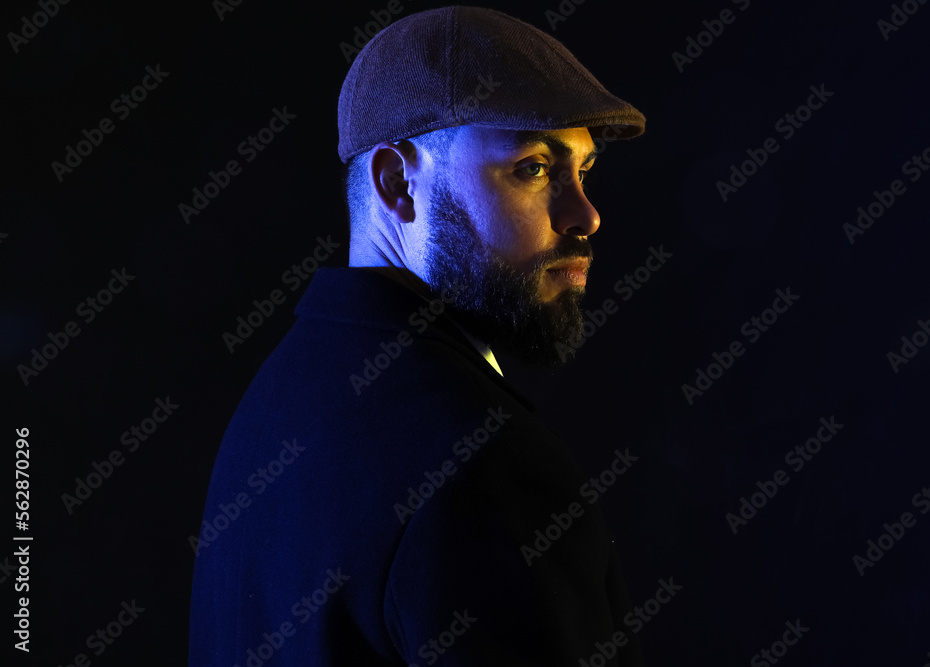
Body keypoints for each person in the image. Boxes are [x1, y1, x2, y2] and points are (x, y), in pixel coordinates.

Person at [188, 5, 647, 665]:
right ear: (399, 183)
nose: (587, 214)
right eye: (533, 168)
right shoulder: (483, 460)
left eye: (584, 170)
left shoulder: (270, 410)